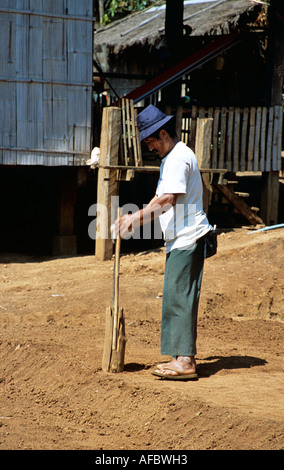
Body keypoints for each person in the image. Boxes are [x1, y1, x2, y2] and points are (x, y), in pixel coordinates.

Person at [116, 104, 211, 380]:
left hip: (188, 236)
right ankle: (180, 356)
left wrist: (134, 220)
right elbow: (161, 199)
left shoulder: (179, 156)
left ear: (164, 133)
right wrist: (135, 217)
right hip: (180, 238)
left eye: (151, 141)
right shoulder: (171, 158)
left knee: (180, 297)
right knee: (174, 296)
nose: (150, 148)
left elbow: (168, 199)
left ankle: (186, 361)